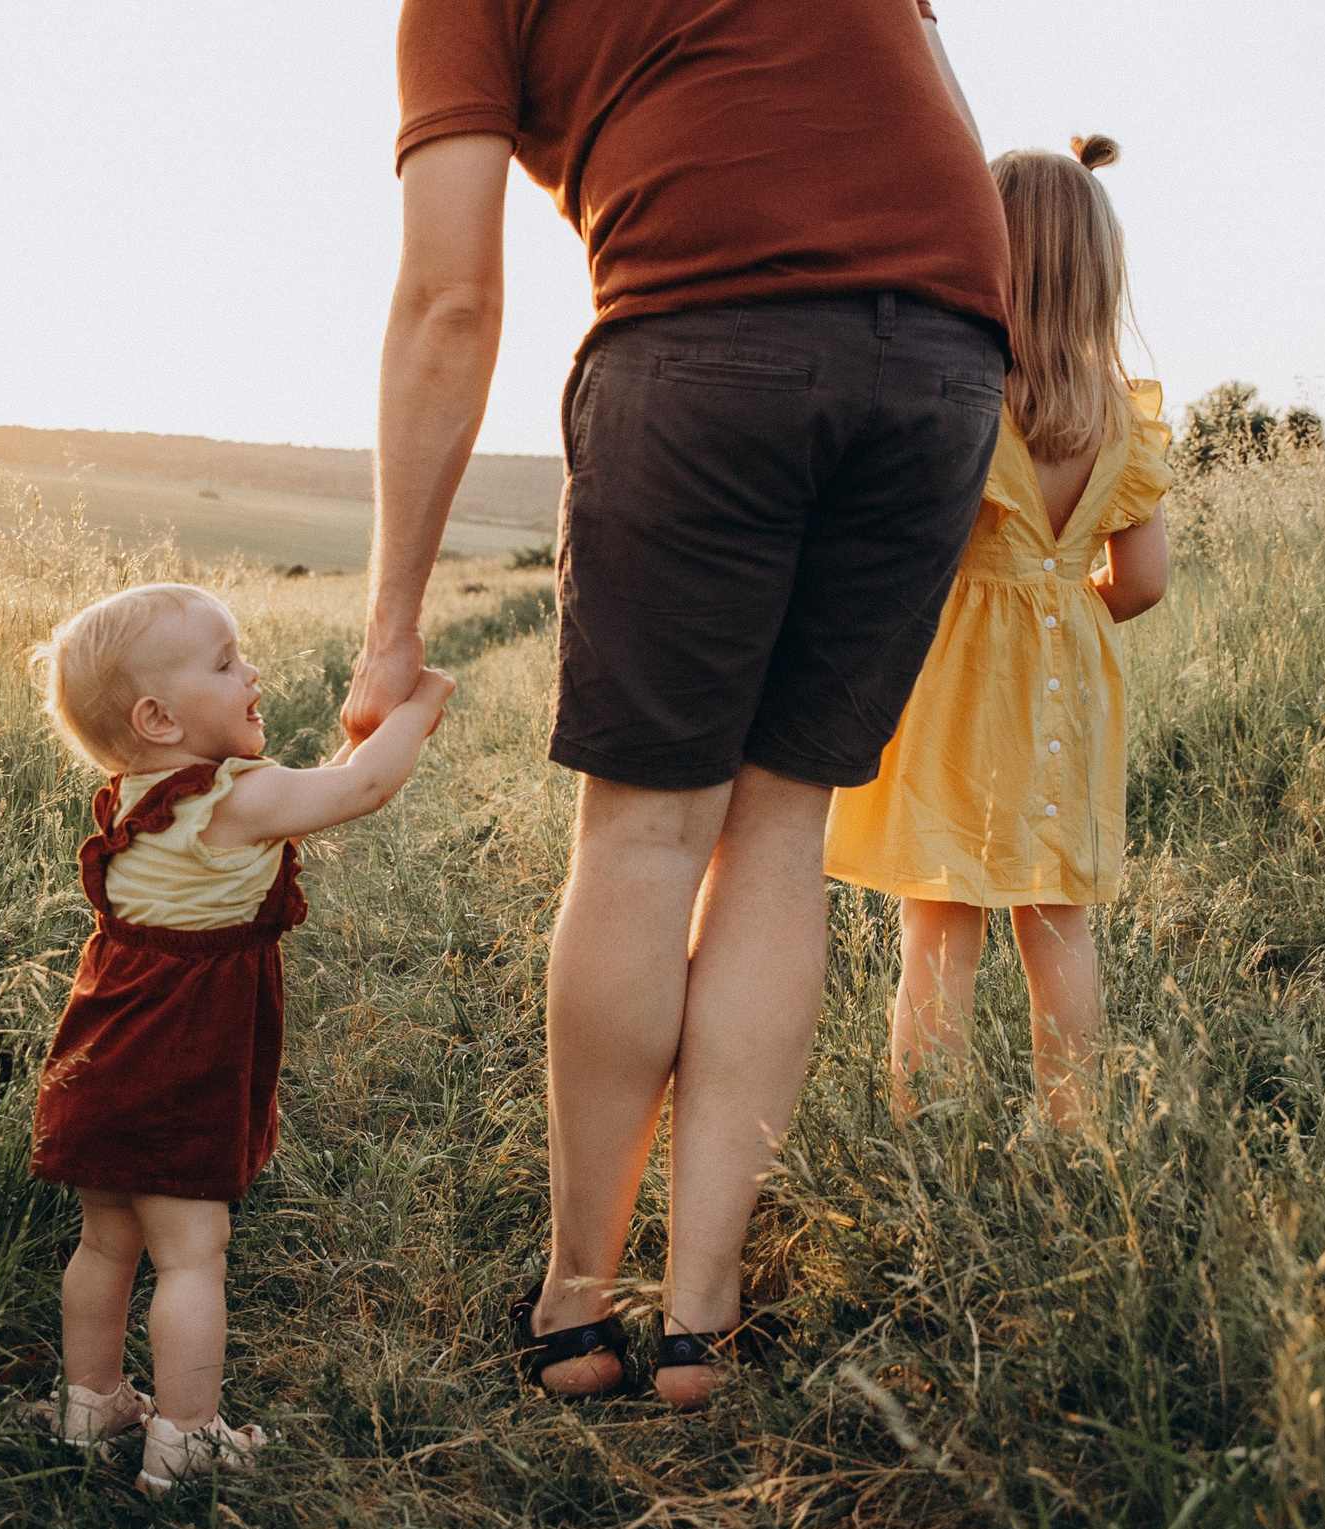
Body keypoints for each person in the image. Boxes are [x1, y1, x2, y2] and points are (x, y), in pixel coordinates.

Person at [345, 0, 1010, 1408]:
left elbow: (451, 298)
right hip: (946, 354)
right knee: (780, 829)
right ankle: (701, 1321)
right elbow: (935, 104)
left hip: (711, 337)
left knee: (648, 838)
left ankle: (579, 1303)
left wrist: (391, 621)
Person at [28, 583, 453, 1493]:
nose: (252, 671)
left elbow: (322, 788)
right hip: (177, 1067)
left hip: (99, 1058)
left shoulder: (139, 801)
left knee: (106, 1244)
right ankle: (186, 1437)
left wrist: (359, 736)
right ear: (160, 716)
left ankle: (90, 1405)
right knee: (191, 1254)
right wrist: (417, 709)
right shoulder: (232, 799)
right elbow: (363, 787)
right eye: (226, 663)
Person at [825, 137, 1172, 1130]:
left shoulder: (960, 404)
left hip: (957, 689)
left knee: (936, 929)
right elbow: (1142, 581)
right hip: (1070, 688)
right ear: (1099, 272)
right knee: (1059, 929)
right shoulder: (1122, 420)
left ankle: (926, 1137)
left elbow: (897, 550)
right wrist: (1060, 614)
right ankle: (1074, 1138)